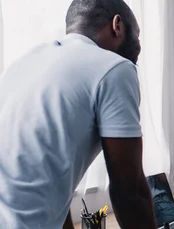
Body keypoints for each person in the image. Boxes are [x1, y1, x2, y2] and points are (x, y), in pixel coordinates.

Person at [0, 0, 156, 228]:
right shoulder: (115, 68)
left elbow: (42, 178)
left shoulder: (23, 64)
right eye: (138, 36)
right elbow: (129, 191)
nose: (138, 46)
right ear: (117, 25)